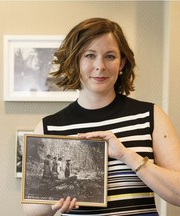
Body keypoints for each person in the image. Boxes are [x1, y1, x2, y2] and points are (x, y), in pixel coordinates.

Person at [22, 17, 180, 216]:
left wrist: (126, 156)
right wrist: (53, 203)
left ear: (122, 63)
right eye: (90, 55)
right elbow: (29, 211)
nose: (100, 66)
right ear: (75, 61)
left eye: (110, 56)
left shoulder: (151, 115)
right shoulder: (50, 127)